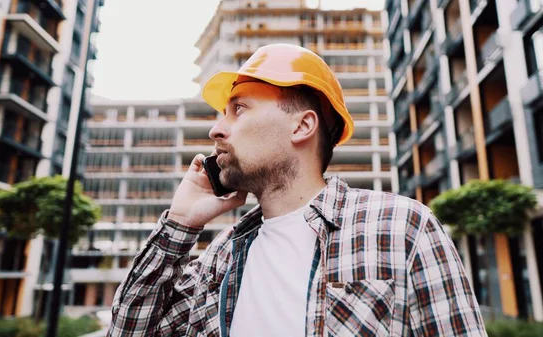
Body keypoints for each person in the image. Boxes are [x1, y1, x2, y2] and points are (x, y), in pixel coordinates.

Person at [108, 43, 487, 337]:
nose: (216, 131)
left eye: (238, 109)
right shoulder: (221, 257)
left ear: (302, 127)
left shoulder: (400, 227)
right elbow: (129, 330)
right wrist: (179, 225)